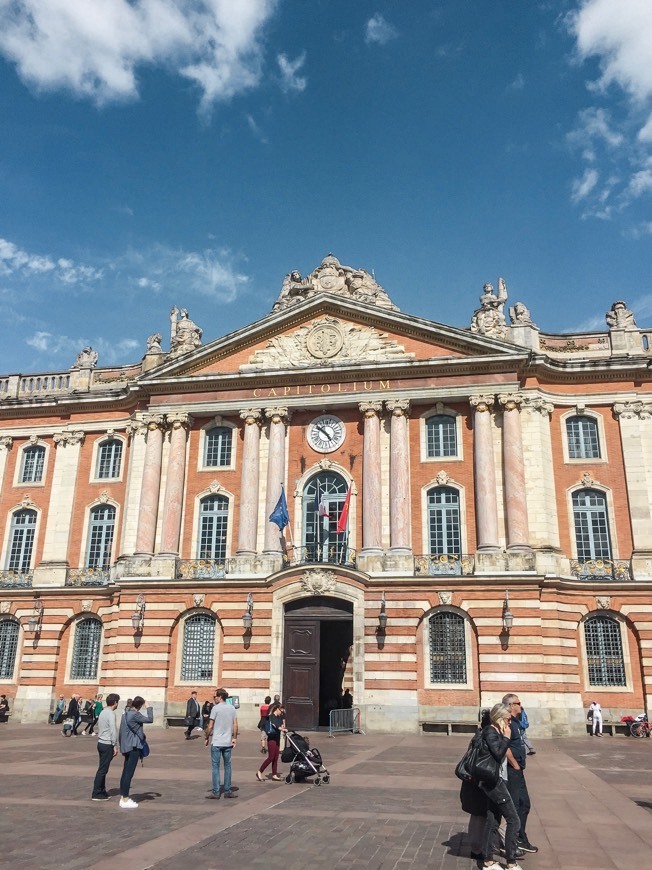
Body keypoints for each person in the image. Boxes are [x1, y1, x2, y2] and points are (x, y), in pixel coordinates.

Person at [479, 704, 523, 870]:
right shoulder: (491, 731)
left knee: (493, 820)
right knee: (513, 819)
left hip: (496, 780)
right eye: (508, 719)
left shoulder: (496, 731)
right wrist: (506, 737)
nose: (510, 722)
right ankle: (511, 862)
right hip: (493, 781)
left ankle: (488, 860)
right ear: (499, 718)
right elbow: (498, 754)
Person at [503, 693, 538, 854]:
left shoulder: (516, 721)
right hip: (512, 771)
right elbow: (505, 746)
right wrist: (515, 765)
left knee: (525, 804)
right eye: (518, 703)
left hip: (518, 771)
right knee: (515, 805)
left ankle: (520, 838)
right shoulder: (506, 723)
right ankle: (514, 841)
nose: (521, 705)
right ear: (510, 705)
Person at [118, 695, 153, 809]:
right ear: (141, 705)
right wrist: (149, 707)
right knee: (129, 773)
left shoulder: (126, 713)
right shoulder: (136, 715)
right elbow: (150, 719)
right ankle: (125, 798)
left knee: (125, 772)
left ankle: (123, 797)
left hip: (126, 746)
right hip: (134, 746)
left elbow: (121, 732)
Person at [205, 688, 238, 800]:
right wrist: (234, 738)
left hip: (217, 742)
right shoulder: (232, 708)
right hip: (227, 742)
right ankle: (228, 790)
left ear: (219, 697)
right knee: (228, 766)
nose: (214, 699)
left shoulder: (215, 708)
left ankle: (216, 792)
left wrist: (206, 737)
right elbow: (235, 725)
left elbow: (210, 726)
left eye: (215, 697)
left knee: (215, 767)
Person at [91, 693, 120, 801]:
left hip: (101, 742)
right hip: (107, 743)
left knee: (103, 768)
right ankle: (97, 792)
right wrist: (115, 745)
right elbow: (113, 730)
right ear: (115, 702)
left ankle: (102, 791)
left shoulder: (103, 712)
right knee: (103, 769)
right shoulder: (111, 714)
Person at [256, 702, 286, 782]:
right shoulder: (271, 717)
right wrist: (281, 728)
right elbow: (275, 725)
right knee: (271, 757)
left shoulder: (279, 718)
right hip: (271, 739)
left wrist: (283, 727)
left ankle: (274, 774)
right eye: (281, 711)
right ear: (277, 709)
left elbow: (280, 725)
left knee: (276, 757)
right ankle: (259, 771)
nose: (281, 713)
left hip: (277, 738)